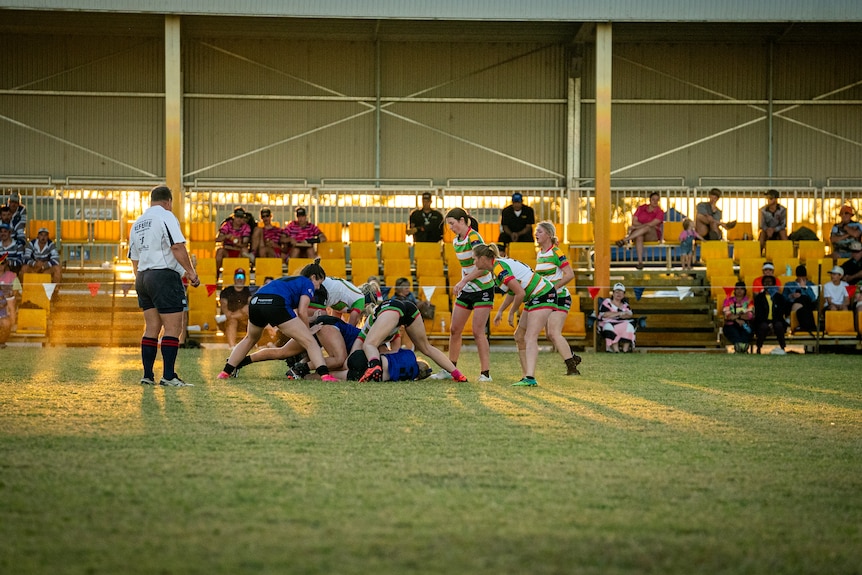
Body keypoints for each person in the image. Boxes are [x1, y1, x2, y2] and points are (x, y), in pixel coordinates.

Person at [128, 185, 200, 387]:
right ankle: (168, 376)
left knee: (151, 327)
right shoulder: (166, 215)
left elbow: (134, 258)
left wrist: (143, 278)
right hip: (163, 275)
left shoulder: (137, 222)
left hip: (142, 276)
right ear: (168, 201)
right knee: (173, 328)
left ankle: (147, 375)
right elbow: (176, 246)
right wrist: (191, 273)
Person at [217, 261, 337, 381]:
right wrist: (308, 331)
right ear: (313, 277)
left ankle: (225, 372)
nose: (318, 287)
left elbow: (293, 315)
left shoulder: (288, 281)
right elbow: (301, 311)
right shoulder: (307, 283)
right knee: (310, 342)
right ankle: (325, 375)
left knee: (249, 339)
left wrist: (308, 321)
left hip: (256, 302)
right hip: (276, 303)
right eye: (319, 283)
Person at [473, 243, 557, 387]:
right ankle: (526, 375)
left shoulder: (499, 268)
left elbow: (520, 293)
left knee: (530, 336)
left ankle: (530, 377)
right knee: (519, 335)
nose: (474, 262)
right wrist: (501, 311)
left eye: (475, 259)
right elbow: (513, 291)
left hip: (543, 293)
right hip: (535, 296)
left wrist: (512, 312)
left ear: (483, 258)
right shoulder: (497, 267)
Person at [431, 207, 493, 382]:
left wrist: (464, 281)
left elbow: (484, 266)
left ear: (463, 221)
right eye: (449, 224)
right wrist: (463, 282)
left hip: (483, 289)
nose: (450, 227)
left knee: (478, 331)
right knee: (454, 330)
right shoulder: (455, 241)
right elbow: (467, 267)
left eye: (452, 223)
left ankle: (485, 374)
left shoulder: (474, 237)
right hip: (467, 289)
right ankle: (450, 369)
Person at [356, 297, 467, 383]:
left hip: (392, 309)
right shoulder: (384, 328)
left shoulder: (368, 324)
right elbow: (395, 350)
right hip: (408, 308)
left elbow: (357, 349)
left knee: (369, 344)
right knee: (426, 348)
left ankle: (374, 367)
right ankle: (458, 375)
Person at [534, 221, 581, 376]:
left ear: (548, 234)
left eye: (539, 231)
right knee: (549, 335)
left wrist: (552, 288)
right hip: (548, 298)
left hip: (560, 297)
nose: (536, 234)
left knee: (554, 333)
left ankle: (572, 368)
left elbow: (570, 274)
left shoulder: (557, 253)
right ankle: (572, 357)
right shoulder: (540, 253)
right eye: (536, 231)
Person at [615, 192, 664, 270]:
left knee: (647, 228)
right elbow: (634, 221)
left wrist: (636, 227)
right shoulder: (641, 208)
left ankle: (625, 239)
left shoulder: (660, 212)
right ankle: (640, 262)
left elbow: (652, 224)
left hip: (652, 234)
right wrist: (640, 226)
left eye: (657, 200)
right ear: (650, 200)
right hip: (638, 233)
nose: (655, 202)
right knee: (639, 236)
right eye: (653, 199)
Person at [337, 347, 433, 382]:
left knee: (340, 365)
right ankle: (324, 375)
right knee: (334, 375)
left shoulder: (410, 355)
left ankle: (323, 367)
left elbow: (390, 352)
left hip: (372, 361)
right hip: (375, 378)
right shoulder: (410, 378)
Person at [753, 275, 788, 355]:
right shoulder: (759, 298)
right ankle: (759, 348)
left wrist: (773, 323)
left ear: (773, 284)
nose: (767, 283)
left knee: (779, 325)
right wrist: (768, 323)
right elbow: (759, 313)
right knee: (763, 326)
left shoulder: (779, 297)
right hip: (763, 321)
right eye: (765, 282)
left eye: (769, 282)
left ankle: (782, 347)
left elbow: (780, 312)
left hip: (776, 320)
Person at [599, 283, 637, 353]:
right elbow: (604, 314)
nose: (619, 294)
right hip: (608, 322)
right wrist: (620, 313)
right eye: (617, 292)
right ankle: (616, 350)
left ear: (624, 294)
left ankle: (625, 350)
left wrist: (614, 314)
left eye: (621, 292)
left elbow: (629, 315)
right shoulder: (607, 302)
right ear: (613, 293)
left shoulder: (625, 305)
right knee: (608, 327)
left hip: (622, 322)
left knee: (629, 327)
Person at [219, 267, 252, 347]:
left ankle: (232, 316)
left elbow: (250, 305)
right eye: (238, 277)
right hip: (229, 321)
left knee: (247, 308)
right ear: (234, 278)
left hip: (243, 320)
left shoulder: (248, 291)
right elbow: (223, 304)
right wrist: (227, 313)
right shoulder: (227, 291)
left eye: (242, 277)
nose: (240, 279)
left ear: (245, 279)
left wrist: (231, 315)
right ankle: (232, 348)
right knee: (232, 321)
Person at [215, 207, 252, 275]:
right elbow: (218, 239)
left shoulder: (246, 227)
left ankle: (242, 273)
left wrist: (237, 242)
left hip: (239, 252)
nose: (239, 219)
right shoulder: (227, 225)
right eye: (237, 217)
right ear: (234, 217)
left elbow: (244, 244)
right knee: (220, 251)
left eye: (241, 217)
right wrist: (226, 236)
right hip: (227, 251)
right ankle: (216, 273)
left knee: (245, 251)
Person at [783, 265, 818, 334]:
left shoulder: (811, 285)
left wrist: (805, 288)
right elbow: (783, 298)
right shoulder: (789, 284)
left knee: (803, 298)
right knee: (800, 299)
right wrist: (791, 296)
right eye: (799, 277)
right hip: (791, 304)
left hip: (808, 305)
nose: (801, 278)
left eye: (803, 277)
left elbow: (813, 299)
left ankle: (789, 319)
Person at [723, 281, 754, 353]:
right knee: (733, 332)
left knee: (746, 332)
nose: (739, 291)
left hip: (746, 324)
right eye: (737, 289)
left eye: (741, 289)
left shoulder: (749, 301)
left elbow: (750, 315)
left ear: (745, 290)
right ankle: (739, 347)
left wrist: (736, 316)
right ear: (734, 290)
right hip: (730, 324)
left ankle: (742, 348)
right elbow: (727, 315)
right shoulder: (728, 300)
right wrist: (738, 319)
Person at [0, 253, 22, 347]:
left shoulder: (12, 276)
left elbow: (14, 295)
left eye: (2, 263)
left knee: (6, 323)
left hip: (6, 308)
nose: (0, 266)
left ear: (6, 264)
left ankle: (1, 342)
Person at [758, 189, 788, 254]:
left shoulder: (783, 210)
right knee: (762, 234)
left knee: (783, 233)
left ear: (775, 199)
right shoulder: (762, 210)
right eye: (768, 198)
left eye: (770, 198)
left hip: (778, 230)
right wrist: (768, 230)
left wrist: (774, 229)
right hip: (767, 231)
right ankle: (758, 254)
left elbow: (783, 224)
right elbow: (762, 225)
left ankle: (787, 254)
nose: (768, 200)